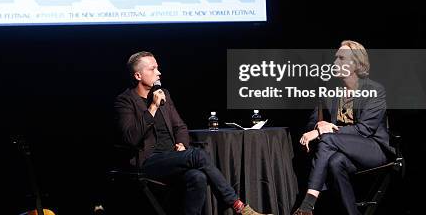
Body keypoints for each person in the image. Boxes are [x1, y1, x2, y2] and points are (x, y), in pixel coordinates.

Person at [114, 51, 270, 215]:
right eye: (153, 69)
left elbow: (180, 127)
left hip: (172, 156)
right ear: (138, 75)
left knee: (197, 177)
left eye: (158, 68)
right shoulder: (125, 101)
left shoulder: (164, 94)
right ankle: (240, 208)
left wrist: (182, 144)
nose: (158, 73)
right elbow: (131, 138)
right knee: (198, 155)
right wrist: (152, 107)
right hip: (148, 162)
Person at [294, 40, 396, 215]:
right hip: (341, 148)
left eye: (341, 59)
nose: (335, 63)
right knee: (335, 162)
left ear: (356, 64)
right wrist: (315, 127)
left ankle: (308, 204)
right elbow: (314, 121)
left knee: (327, 138)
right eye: (336, 58)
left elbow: (365, 130)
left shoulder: (375, 90)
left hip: (373, 147)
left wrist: (323, 131)